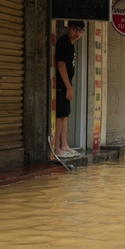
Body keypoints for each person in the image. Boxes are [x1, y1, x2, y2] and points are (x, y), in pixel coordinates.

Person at [54, 20, 85, 158]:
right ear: (68, 29)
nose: (77, 33)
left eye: (81, 30)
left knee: (65, 115)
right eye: (75, 29)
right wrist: (68, 87)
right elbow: (61, 66)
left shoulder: (70, 44)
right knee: (60, 116)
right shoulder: (64, 43)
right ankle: (56, 148)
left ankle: (64, 145)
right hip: (61, 86)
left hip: (65, 86)